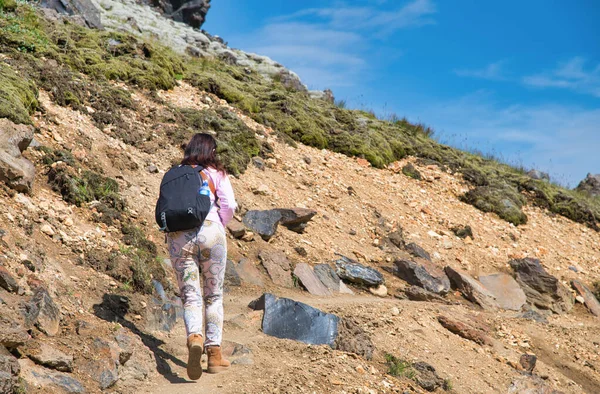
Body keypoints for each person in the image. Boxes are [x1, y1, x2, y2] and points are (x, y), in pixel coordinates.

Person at [166, 133, 237, 380]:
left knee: (190, 296)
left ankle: (194, 337)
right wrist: (219, 224)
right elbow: (229, 205)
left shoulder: (176, 172)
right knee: (214, 295)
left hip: (179, 238)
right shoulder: (217, 172)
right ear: (211, 151)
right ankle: (214, 355)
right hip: (211, 233)